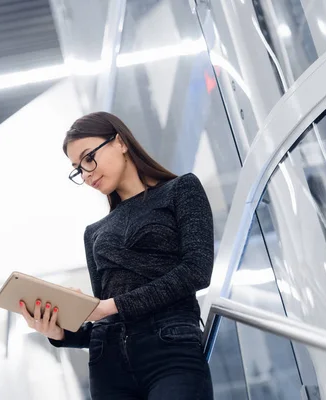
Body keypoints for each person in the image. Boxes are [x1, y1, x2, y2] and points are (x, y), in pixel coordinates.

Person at [19, 112, 214, 399]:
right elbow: (105, 317)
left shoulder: (180, 190)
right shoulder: (94, 232)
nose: (86, 174)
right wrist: (59, 332)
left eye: (89, 158)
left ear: (120, 142)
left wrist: (109, 307)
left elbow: (197, 271)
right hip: (106, 362)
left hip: (171, 350)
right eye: (78, 169)